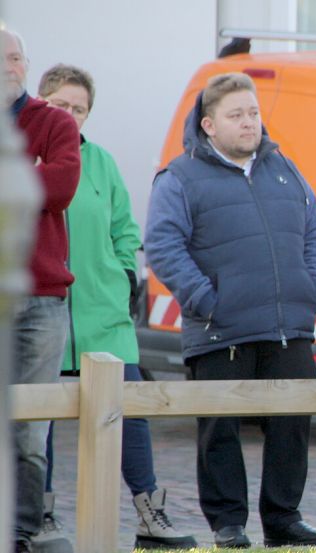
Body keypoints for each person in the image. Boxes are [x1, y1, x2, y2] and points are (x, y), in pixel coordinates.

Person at [144, 72, 316, 549]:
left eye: (253, 113)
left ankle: (283, 520)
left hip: (290, 327)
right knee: (219, 431)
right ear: (209, 124)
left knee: (293, 424)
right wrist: (208, 300)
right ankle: (228, 525)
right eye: (236, 115)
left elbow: (315, 231)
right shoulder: (180, 177)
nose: (249, 123)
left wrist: (312, 289)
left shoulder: (283, 167)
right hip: (219, 331)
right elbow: (164, 247)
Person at [36, 63, 197, 550]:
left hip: (103, 311)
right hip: (44, 311)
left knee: (131, 410)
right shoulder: (17, 159)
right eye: (61, 105)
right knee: (37, 420)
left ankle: (150, 510)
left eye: (79, 109)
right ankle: (39, 516)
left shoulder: (101, 161)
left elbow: (125, 228)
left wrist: (126, 272)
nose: (70, 115)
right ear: (40, 104)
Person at [4, 27, 81, 553]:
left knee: (31, 431)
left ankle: (23, 532)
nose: (10, 65)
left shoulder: (53, 121)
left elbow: (60, 186)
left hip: (42, 301)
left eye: (16, 57)